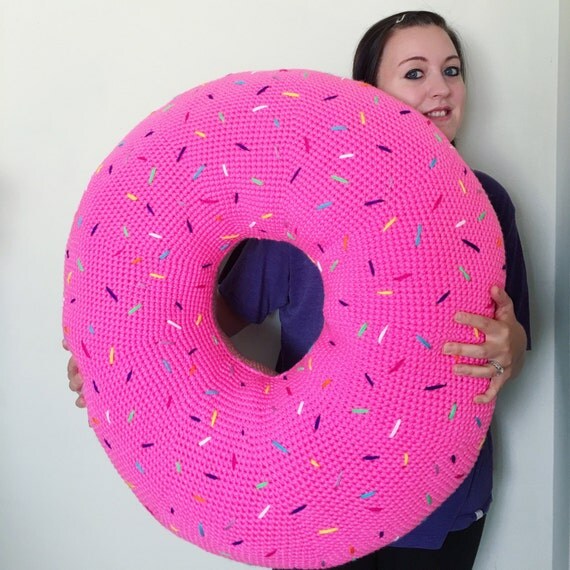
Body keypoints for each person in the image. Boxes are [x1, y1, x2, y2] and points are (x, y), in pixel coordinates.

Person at [66, 11, 531, 570]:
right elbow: (208, 319)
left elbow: (516, 344)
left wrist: (511, 350)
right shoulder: (292, 204)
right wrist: (123, 364)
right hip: (316, 501)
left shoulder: (486, 203)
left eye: (451, 70)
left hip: (441, 499)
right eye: (414, 72)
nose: (440, 87)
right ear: (368, 94)